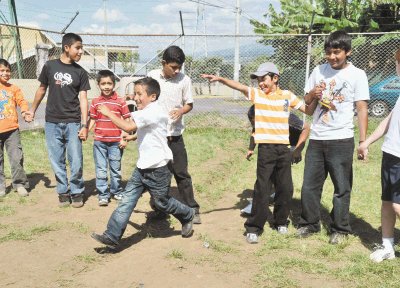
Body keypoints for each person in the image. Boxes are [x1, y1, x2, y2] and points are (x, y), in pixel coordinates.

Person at [202, 62, 312, 244]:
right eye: (259, 80)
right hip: (266, 149)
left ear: (275, 78)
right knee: (262, 188)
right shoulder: (258, 95)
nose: (261, 83)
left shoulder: (287, 96)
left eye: (264, 79)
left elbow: (308, 110)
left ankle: (280, 222)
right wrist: (221, 79)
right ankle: (254, 227)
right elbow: (239, 86)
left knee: (285, 187)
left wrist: (316, 96)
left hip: (284, 149)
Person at [91, 77, 195, 249]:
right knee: (127, 200)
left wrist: (108, 113)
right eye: (135, 93)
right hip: (142, 167)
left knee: (161, 202)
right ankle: (112, 236)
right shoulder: (150, 111)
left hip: (159, 167)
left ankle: (187, 213)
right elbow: (148, 131)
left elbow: (128, 126)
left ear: (152, 96)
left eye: (140, 94)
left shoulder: (152, 111)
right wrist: (134, 137)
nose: (136, 97)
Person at [296, 30, 369, 244]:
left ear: (348, 51)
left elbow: (362, 108)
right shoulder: (318, 71)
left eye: (336, 52)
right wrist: (313, 95)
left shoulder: (358, 75)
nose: (332, 57)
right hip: (317, 138)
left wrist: (363, 141)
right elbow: (308, 106)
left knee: (342, 187)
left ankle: (340, 229)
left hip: (342, 139)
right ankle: (309, 223)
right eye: (328, 52)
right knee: (310, 185)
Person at [29, 33, 90, 208]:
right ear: (67, 47)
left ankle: (77, 191)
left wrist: (84, 125)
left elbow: (84, 99)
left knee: (76, 159)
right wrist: (32, 110)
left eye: (81, 47)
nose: (81, 51)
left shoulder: (81, 72)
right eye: (78, 47)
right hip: (52, 122)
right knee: (56, 159)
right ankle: (63, 191)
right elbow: (41, 89)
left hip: (73, 122)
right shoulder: (49, 66)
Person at [147, 46, 201, 224]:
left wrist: (181, 111)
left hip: (175, 136)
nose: (177, 71)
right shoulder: (152, 76)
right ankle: (159, 209)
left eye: (179, 67)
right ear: (163, 63)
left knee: (181, 173)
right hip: (156, 136)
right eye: (173, 67)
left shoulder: (184, 80)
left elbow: (189, 104)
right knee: (157, 174)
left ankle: (192, 209)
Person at [358, 48, 400, 263]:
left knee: (397, 205)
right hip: (391, 154)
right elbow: (389, 121)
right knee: (387, 202)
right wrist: (367, 142)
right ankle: (387, 247)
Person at [241, 104, 310, 215]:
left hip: (291, 145)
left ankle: (276, 200)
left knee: (279, 177)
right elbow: (254, 133)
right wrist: (250, 149)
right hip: (276, 145)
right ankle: (266, 198)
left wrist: (298, 150)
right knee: (269, 175)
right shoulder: (262, 120)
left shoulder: (287, 118)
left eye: (256, 122)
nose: (255, 125)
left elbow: (306, 128)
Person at [88, 70, 131, 206]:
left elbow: (127, 120)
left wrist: (124, 138)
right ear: (98, 85)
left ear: (114, 84)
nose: (106, 86)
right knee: (100, 170)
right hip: (99, 142)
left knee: (115, 169)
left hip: (116, 143)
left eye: (109, 83)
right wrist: (85, 131)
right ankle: (103, 195)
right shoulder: (95, 102)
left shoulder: (120, 102)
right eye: (103, 83)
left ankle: (116, 191)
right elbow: (93, 119)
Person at [0, 59, 31, 197]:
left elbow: (22, 101)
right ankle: (1, 187)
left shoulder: (14, 88)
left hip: (12, 130)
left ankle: (19, 184)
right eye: (2, 71)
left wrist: (25, 112)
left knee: (16, 158)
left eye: (8, 70)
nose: (6, 73)